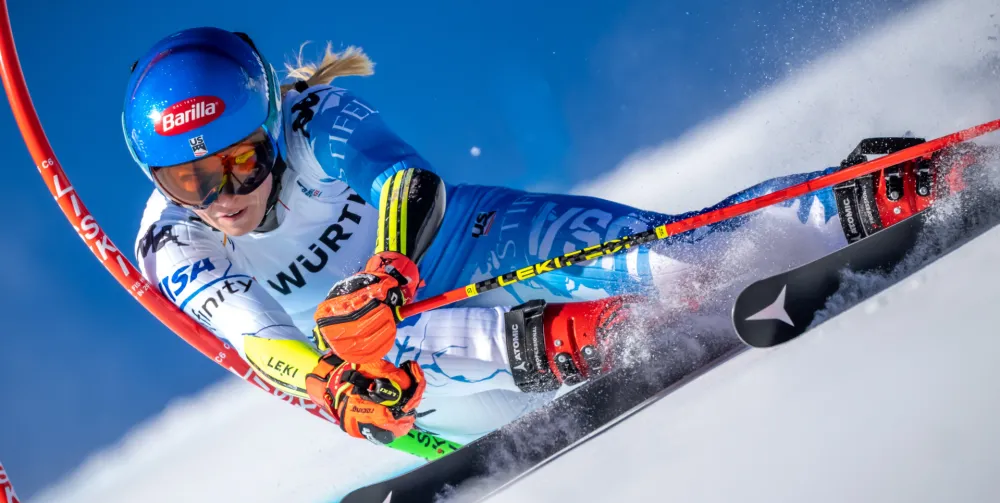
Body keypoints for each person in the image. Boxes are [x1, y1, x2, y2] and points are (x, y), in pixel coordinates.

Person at [123, 27, 965, 447]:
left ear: (272, 123)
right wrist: (334, 388)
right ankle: (592, 342)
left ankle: (878, 192)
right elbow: (260, 343)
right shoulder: (175, 245)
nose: (222, 197)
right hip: (422, 374)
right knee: (365, 334)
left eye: (238, 163)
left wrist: (389, 268)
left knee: (677, 255)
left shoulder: (316, 118)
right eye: (188, 182)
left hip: (476, 242)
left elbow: (409, 183)